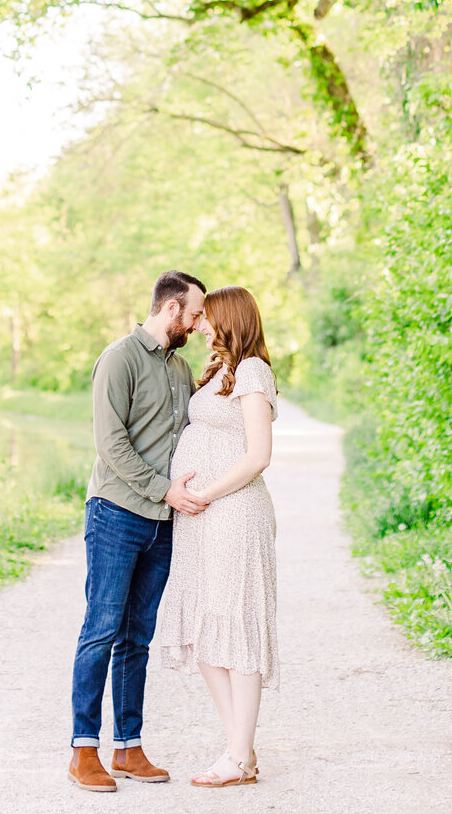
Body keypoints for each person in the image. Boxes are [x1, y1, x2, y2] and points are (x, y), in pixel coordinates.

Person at [69, 269, 209, 794]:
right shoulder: (118, 359)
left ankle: (128, 747)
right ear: (172, 309)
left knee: (137, 637)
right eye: (194, 314)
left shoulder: (181, 368)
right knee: (101, 629)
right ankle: (84, 750)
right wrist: (165, 489)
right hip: (117, 513)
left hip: (163, 522)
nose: (197, 325)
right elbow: (112, 445)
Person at [156, 285, 278, 788]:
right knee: (207, 632)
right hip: (202, 518)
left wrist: (205, 491)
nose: (200, 325)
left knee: (236, 629)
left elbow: (257, 456)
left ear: (229, 319)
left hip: (233, 514)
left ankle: (236, 754)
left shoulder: (252, 371)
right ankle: (240, 752)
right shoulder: (217, 370)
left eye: (208, 317)